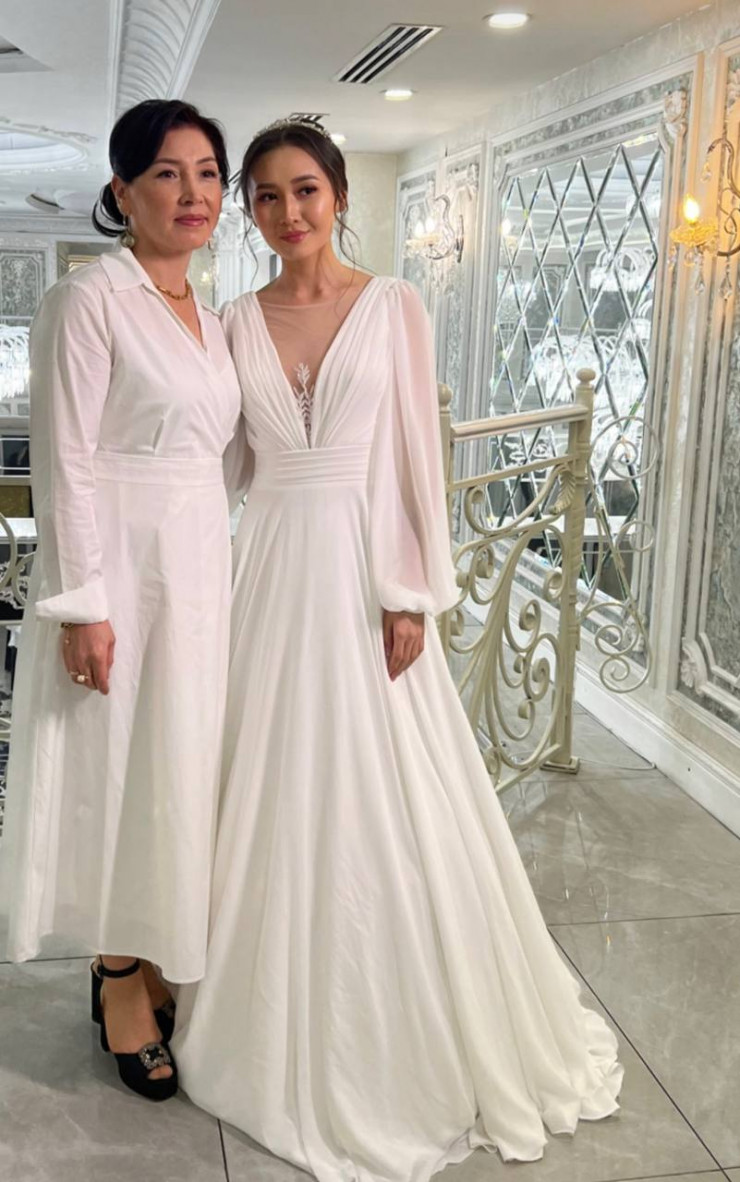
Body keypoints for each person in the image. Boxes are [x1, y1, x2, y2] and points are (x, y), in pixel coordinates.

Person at [173, 118, 623, 1176]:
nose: (288, 212)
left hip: (362, 571)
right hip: (268, 567)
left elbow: (419, 457)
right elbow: (219, 466)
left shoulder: (394, 307)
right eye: (266, 196)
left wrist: (410, 590)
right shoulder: (232, 321)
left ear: (338, 195)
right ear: (248, 212)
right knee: (267, 774)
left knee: (390, 784)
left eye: (305, 190)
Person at [0, 99, 243, 1102]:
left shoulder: (214, 319)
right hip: (121, 572)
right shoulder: (88, 300)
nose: (192, 194)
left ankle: (156, 945)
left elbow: (224, 458)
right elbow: (63, 463)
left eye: (207, 174)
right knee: (114, 765)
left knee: (175, 767)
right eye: (166, 174)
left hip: (200, 570)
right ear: (122, 191)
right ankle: (114, 973)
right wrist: (83, 605)